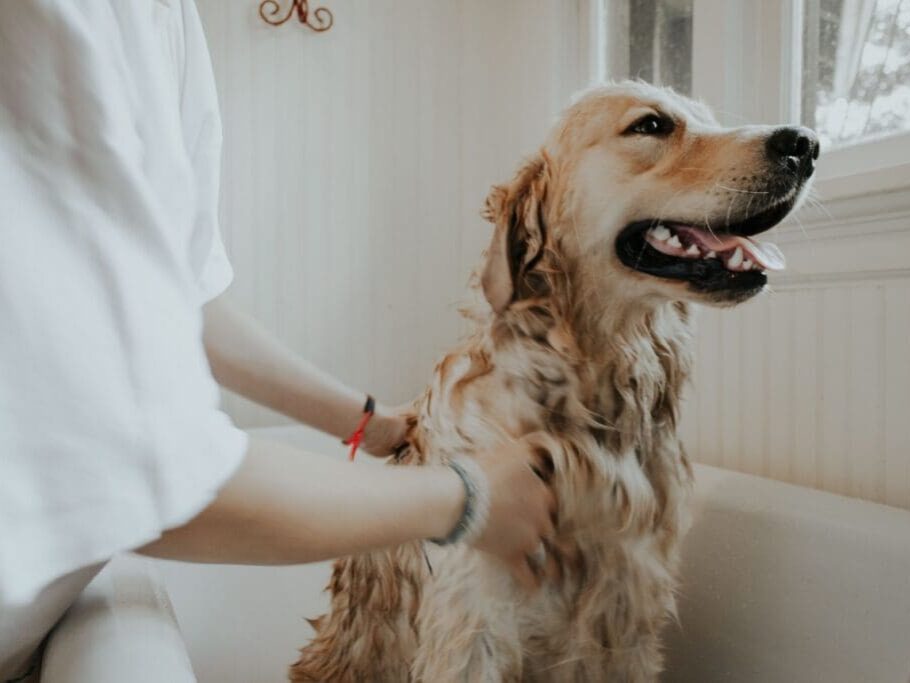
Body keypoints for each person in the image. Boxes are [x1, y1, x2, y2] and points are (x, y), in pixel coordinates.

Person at [0, 2, 556, 680]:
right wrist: (465, 500)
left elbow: (180, 301)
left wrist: (370, 423)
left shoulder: (164, 18)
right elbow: (137, 472)